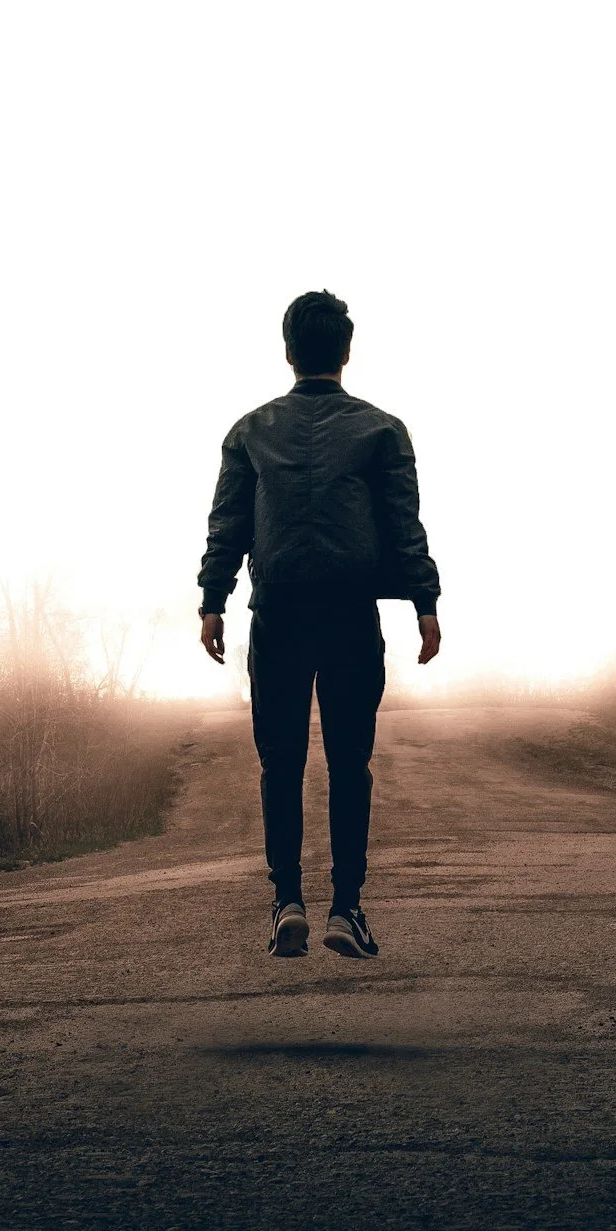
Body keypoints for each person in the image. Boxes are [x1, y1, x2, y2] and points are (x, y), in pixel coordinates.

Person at [197, 290, 441, 960]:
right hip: (346, 613)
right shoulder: (381, 430)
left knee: (280, 763)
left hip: (276, 611)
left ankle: (286, 902)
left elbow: (229, 524)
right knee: (347, 764)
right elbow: (402, 523)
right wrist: (424, 603)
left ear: (287, 350)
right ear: (346, 351)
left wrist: (213, 598)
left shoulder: (250, 430)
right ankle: (346, 909)